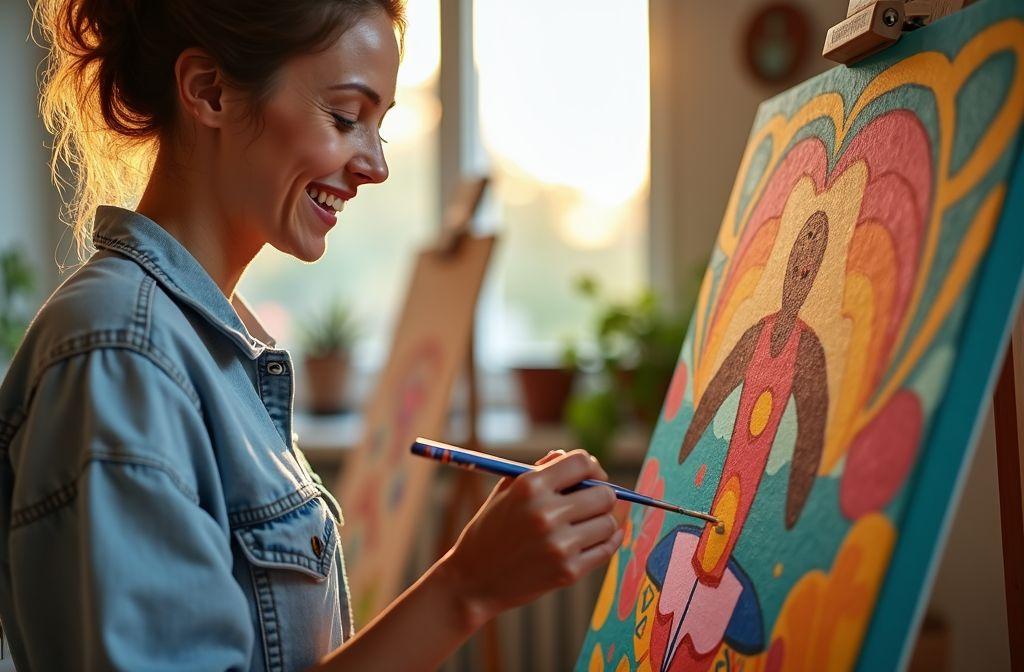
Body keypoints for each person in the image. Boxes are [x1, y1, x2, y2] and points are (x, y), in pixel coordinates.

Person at [0, 1, 623, 670]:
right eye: (346, 117)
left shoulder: (218, 345)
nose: (376, 167)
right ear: (210, 91)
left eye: (380, 127)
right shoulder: (123, 353)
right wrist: (465, 589)